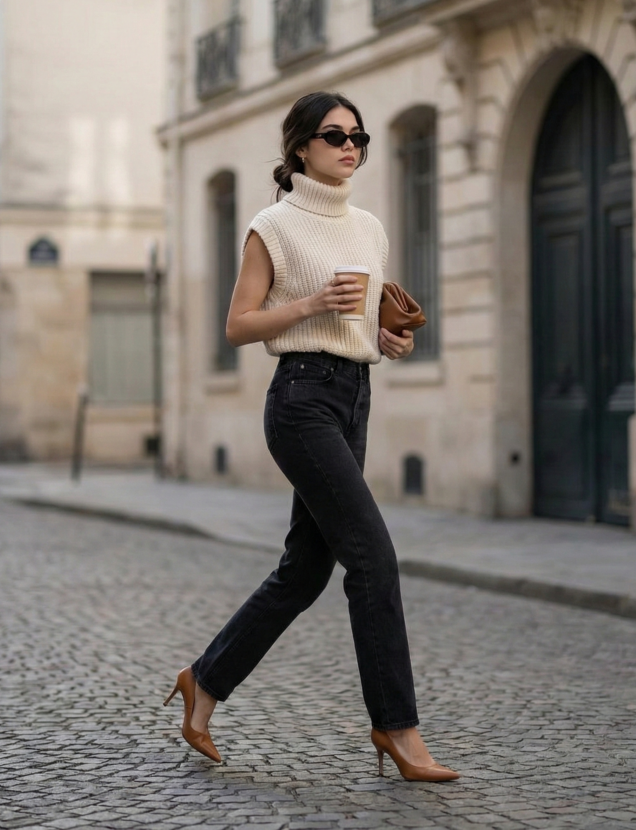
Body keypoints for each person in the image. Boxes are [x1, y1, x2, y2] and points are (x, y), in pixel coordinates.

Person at [164, 91, 459, 782]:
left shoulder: (370, 229)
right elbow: (238, 325)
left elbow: (359, 326)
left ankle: (203, 681)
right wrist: (311, 304)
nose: (350, 146)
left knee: (304, 572)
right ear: (301, 147)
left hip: (354, 395)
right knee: (373, 558)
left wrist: (385, 338)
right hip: (300, 401)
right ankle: (396, 726)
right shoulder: (273, 226)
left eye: (358, 136)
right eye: (335, 135)